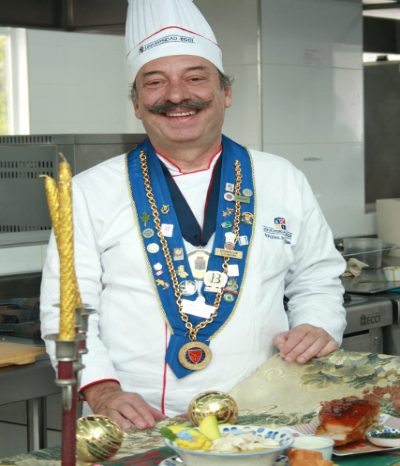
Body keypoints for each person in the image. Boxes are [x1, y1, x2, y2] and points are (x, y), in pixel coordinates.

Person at [40, 0, 346, 431]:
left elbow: (317, 278)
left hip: (266, 414)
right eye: (155, 82)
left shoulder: (281, 178)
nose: (177, 95)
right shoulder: (89, 191)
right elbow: (66, 307)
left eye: (195, 78)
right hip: (136, 419)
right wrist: (101, 389)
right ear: (136, 103)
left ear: (226, 92)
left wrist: (317, 324)